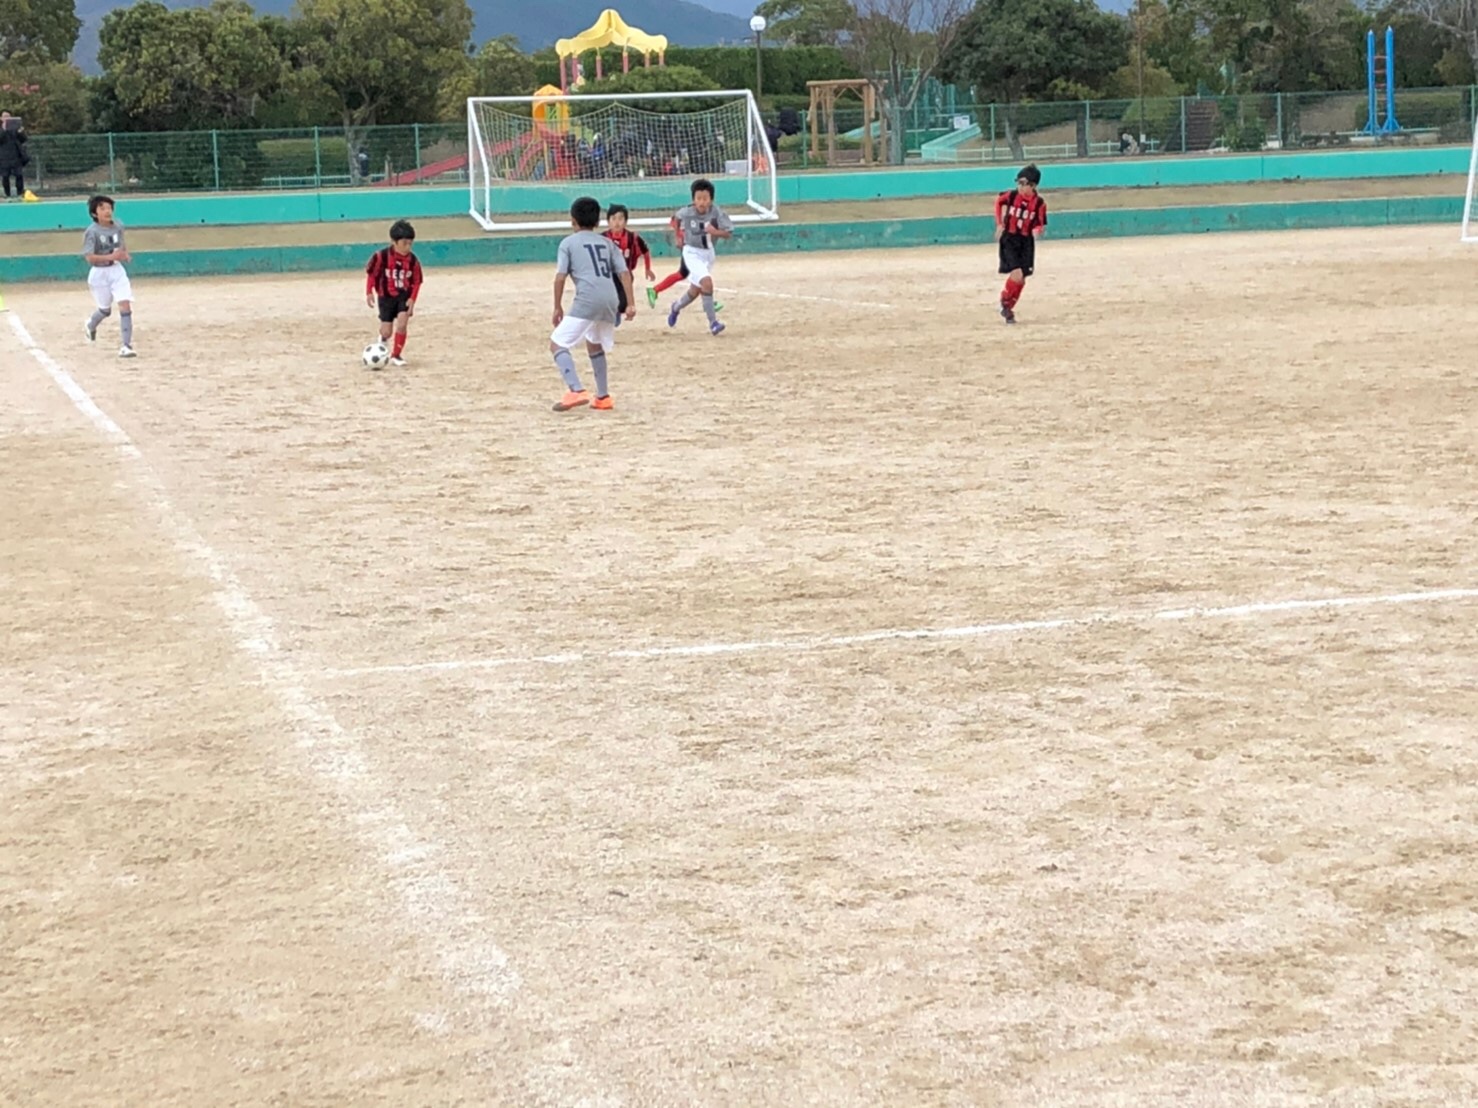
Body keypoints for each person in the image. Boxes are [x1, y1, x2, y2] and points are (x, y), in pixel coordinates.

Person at [550, 196, 636, 413]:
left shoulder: (567, 243)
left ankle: (576, 390)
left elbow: (560, 277)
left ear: (572, 221)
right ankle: (603, 396)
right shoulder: (608, 243)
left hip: (588, 299)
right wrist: (630, 303)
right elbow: (624, 274)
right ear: (598, 222)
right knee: (594, 343)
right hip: (611, 299)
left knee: (557, 343)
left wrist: (557, 306)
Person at [665, 178, 733, 336]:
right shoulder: (687, 212)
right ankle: (713, 323)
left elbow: (728, 233)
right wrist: (678, 236)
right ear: (693, 199)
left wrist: (715, 232)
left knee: (695, 290)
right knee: (707, 283)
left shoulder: (717, 213)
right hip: (691, 252)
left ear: (711, 199)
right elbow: (675, 219)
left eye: (705, 198)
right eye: (698, 198)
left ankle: (676, 307)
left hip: (708, 253)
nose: (702, 202)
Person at [82, 195, 137, 359]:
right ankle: (91, 324)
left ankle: (126, 346)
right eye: (102, 208)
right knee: (105, 310)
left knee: (125, 305)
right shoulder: (92, 232)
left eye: (109, 208)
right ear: (94, 213)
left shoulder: (118, 226)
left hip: (116, 271)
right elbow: (90, 258)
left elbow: (121, 245)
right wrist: (110, 257)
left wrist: (124, 254)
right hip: (99, 274)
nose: (107, 211)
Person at [364, 219, 423, 366]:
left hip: (403, 296)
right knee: (386, 331)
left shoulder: (413, 261)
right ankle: (383, 340)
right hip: (385, 297)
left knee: (402, 323)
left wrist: (412, 299)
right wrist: (369, 291)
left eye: (410, 243)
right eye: (404, 243)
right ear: (394, 242)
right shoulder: (381, 256)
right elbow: (372, 274)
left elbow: (417, 281)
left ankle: (396, 355)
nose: (408, 247)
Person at [995, 164, 1047, 325]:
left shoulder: (1039, 203)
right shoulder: (1011, 196)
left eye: (1024, 184)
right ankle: (1004, 300)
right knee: (1016, 274)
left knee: (1022, 280)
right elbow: (998, 202)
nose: (1020, 187)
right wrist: (999, 224)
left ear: (1033, 185)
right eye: (1018, 183)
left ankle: (1008, 308)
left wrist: (1037, 230)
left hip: (1026, 242)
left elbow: (1040, 223)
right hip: (1010, 239)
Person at [602, 203, 655, 326]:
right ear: (608, 222)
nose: (617, 222)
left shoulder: (633, 237)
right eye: (613, 219)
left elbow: (645, 251)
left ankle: (618, 311)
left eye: (620, 219)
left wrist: (648, 269)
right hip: (608, 275)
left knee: (623, 302)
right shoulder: (602, 238)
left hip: (625, 274)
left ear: (626, 221)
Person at [0, 111, 29, 201]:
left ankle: (20, 193)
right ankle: (7, 194)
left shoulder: (15, 129)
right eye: (5, 116)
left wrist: (21, 132)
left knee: (19, 175)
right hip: (3, 157)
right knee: (5, 176)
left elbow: (23, 139)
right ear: (1, 118)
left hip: (16, 156)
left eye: (8, 116)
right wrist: (4, 129)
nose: (7, 118)